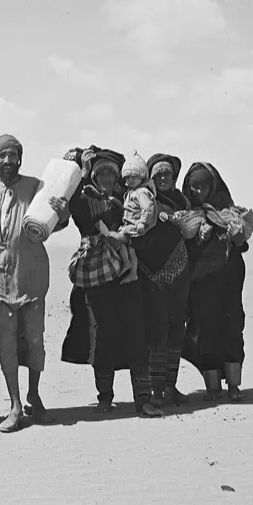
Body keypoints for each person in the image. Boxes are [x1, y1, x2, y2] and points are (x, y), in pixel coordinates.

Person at [0, 133, 70, 433]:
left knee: (35, 340)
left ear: (20, 159)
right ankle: (15, 405)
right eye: (2, 155)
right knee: (6, 344)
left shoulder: (36, 186)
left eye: (13, 155)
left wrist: (63, 213)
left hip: (33, 274)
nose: (8, 160)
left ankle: (34, 395)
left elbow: (55, 222)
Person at [60, 147, 163, 417]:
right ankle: (104, 397)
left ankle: (143, 399)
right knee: (102, 336)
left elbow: (145, 229)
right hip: (96, 275)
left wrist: (125, 238)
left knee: (137, 335)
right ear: (94, 176)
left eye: (110, 173)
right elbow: (76, 211)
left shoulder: (128, 197)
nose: (106, 177)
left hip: (128, 277)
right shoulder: (83, 198)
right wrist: (83, 173)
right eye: (101, 173)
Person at [181, 162, 249, 401]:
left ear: (214, 185)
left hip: (230, 279)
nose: (200, 192)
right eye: (195, 187)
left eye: (204, 186)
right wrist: (197, 239)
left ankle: (234, 386)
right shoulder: (186, 214)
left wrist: (237, 237)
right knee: (206, 330)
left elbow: (241, 245)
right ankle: (212, 388)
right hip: (202, 282)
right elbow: (182, 248)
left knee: (233, 328)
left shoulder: (229, 211)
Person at [135, 153, 194, 407]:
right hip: (150, 273)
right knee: (156, 331)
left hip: (180, 271)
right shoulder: (143, 197)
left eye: (166, 173)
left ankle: (171, 387)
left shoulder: (183, 201)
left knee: (176, 329)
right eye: (157, 174)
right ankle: (156, 390)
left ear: (174, 177)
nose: (162, 178)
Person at [117, 150, 159, 283]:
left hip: (135, 226)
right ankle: (129, 267)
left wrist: (142, 222)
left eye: (134, 177)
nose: (130, 180)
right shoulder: (132, 192)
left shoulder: (142, 192)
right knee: (130, 249)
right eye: (127, 177)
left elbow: (148, 208)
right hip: (129, 225)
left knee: (121, 242)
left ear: (142, 177)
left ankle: (129, 267)